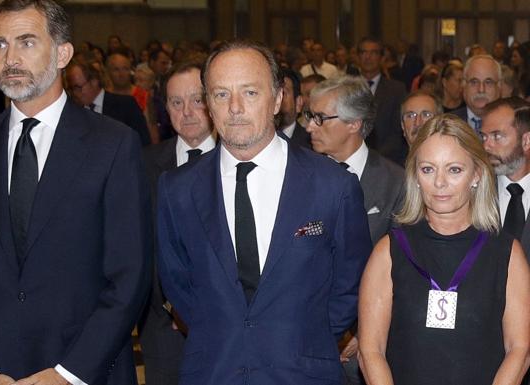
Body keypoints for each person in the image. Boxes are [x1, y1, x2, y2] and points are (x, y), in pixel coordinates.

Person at [0, 1, 151, 385]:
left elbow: (129, 276)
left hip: (88, 372)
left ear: (63, 53)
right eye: (0, 45)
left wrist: (68, 373)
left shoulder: (113, 145)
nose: (10, 58)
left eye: (26, 42)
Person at [157, 39, 371, 384]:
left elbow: (351, 282)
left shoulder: (332, 185)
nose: (236, 107)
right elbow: (177, 282)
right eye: (221, 94)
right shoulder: (177, 189)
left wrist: (302, 339)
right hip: (214, 371)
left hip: (303, 372)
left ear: (277, 99)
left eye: (250, 93)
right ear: (209, 104)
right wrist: (225, 334)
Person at [359, 114, 530, 385]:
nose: (440, 183)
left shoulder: (506, 253)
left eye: (454, 170)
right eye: (428, 169)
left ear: (476, 174)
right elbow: (370, 351)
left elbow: (519, 350)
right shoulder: (388, 252)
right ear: (415, 175)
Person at [305, 76, 404, 385]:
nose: (309, 126)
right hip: (303, 340)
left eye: (319, 118)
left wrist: (367, 332)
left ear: (353, 124)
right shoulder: (298, 178)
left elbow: (404, 268)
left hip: (370, 346)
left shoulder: (395, 183)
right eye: (309, 116)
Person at [141, 60, 216, 385]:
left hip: (230, 327)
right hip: (162, 325)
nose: (187, 111)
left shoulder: (240, 162)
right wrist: (174, 305)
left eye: (197, 100)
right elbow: (137, 245)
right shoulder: (142, 165)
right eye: (176, 102)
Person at [481, 97, 530, 252]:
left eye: (497, 136)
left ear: (526, 141)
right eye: (484, 137)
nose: (486, 146)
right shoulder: (474, 190)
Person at [65, 60, 151, 146]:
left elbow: (143, 141)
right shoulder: (74, 111)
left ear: (94, 81)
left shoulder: (126, 105)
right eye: (73, 89)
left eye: (78, 87)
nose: (76, 93)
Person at [358, 36, 407, 166]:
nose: (368, 57)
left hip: (387, 160)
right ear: (358, 57)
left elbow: (398, 130)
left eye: (373, 53)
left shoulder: (396, 89)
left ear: (381, 57)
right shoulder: (346, 88)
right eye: (363, 52)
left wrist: (373, 157)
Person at [451, 54, 501, 132]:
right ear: (464, 85)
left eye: (488, 82)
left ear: (499, 86)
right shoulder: (448, 123)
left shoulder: (513, 124)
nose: (481, 89)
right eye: (474, 82)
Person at [278, 68, 310, 147]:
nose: (277, 99)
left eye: (283, 93)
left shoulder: (312, 144)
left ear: (298, 103)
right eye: (274, 93)